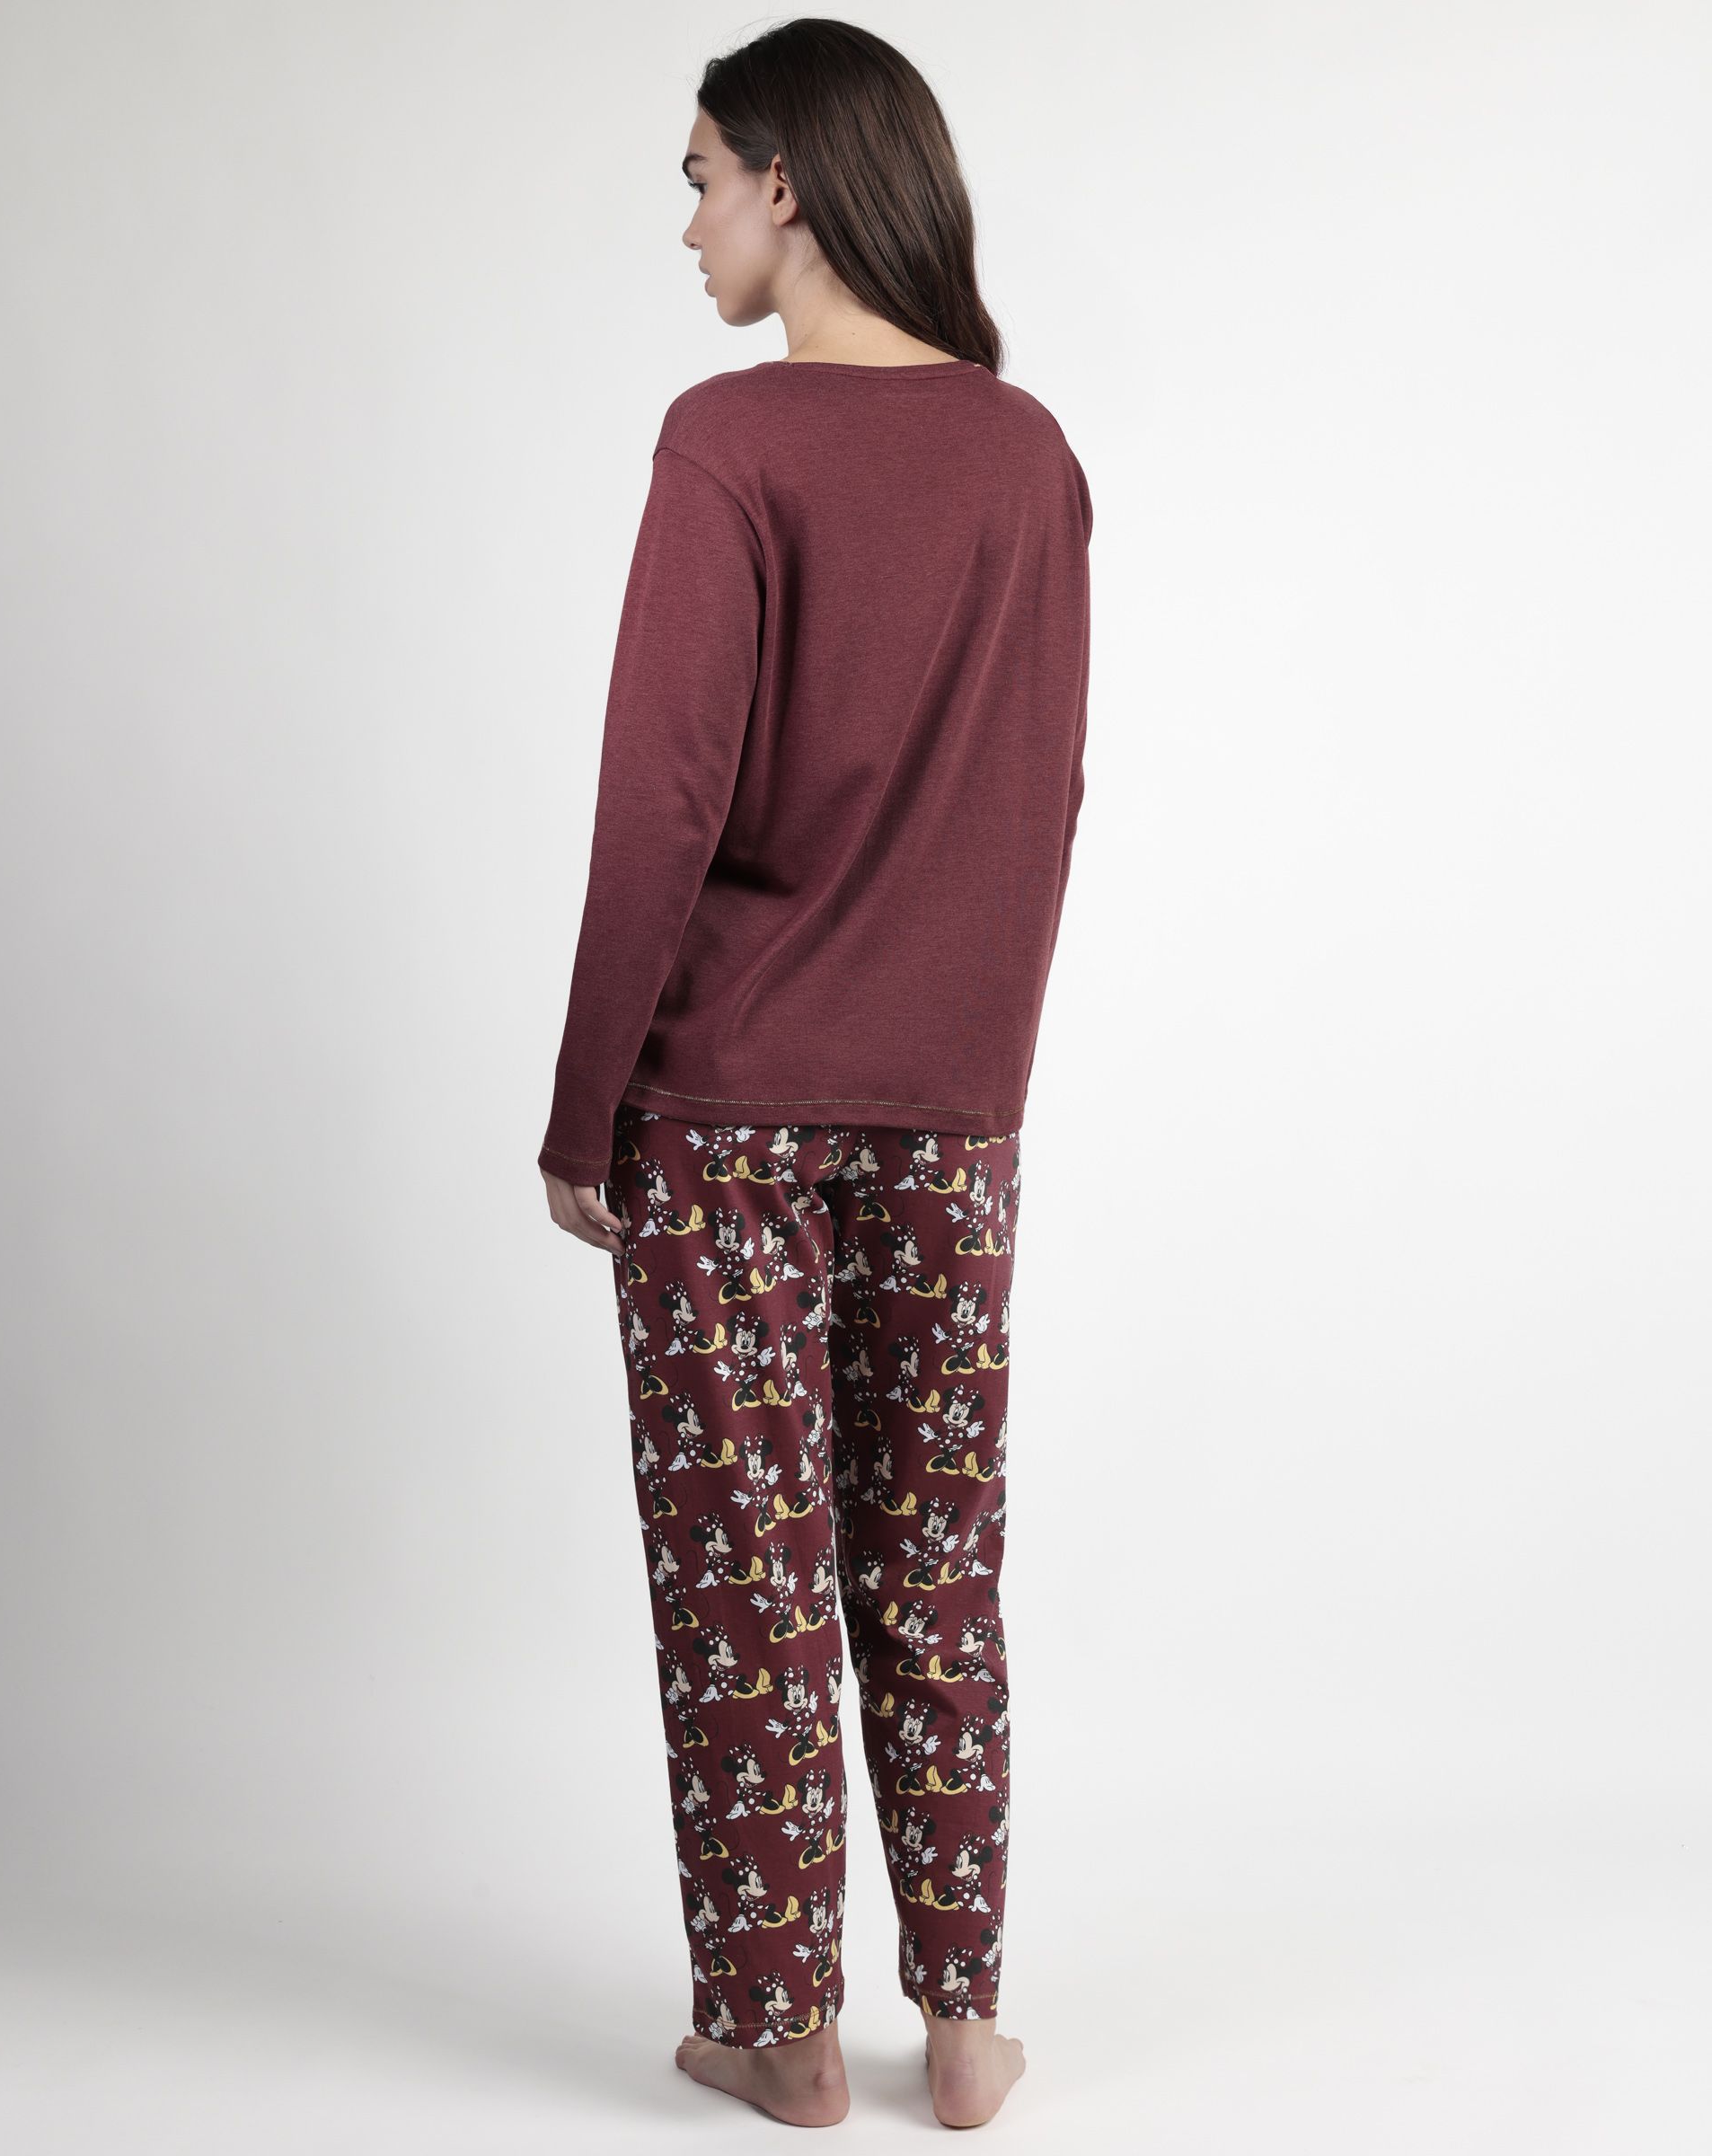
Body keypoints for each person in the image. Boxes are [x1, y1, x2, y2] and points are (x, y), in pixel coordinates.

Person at [535, 18, 1091, 2131]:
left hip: (725, 1110)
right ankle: (963, 2022)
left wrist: (585, 1107)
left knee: (747, 1575)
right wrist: (973, 1072)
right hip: (952, 1118)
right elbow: (1044, 798)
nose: (687, 223)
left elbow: (659, 798)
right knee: (936, 1551)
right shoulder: (1028, 457)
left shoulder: (729, 441)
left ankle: (775, 2031)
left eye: (699, 177)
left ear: (789, 182)